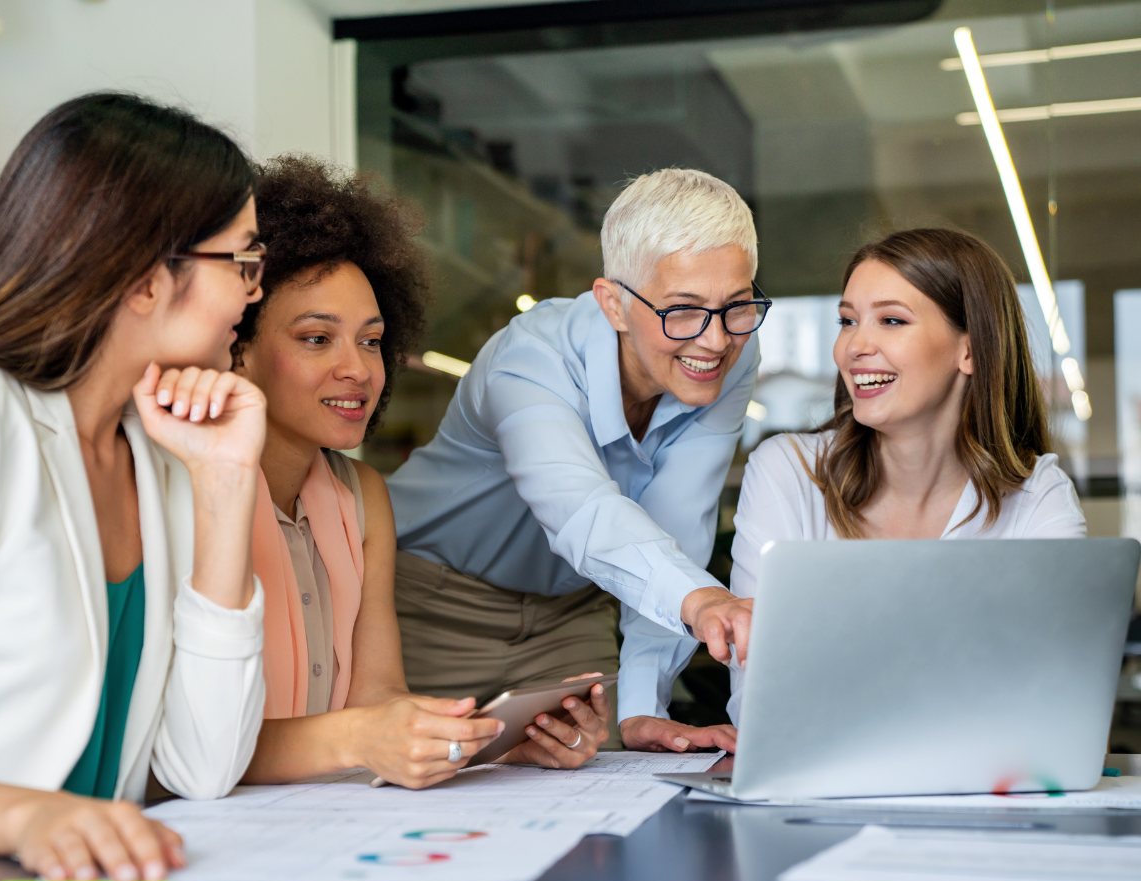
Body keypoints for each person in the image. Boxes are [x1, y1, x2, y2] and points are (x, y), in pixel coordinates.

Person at [0, 94, 269, 881]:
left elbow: (203, 768)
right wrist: (24, 815)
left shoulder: (159, 452)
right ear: (143, 280)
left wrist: (226, 480)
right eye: (242, 262)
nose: (254, 292)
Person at [232, 156, 611, 786]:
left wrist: (495, 744)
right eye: (317, 339)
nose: (358, 369)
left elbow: (379, 703)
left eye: (371, 340)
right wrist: (359, 736)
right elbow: (176, 755)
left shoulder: (363, 498)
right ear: (236, 345)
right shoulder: (191, 494)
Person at [388, 167, 766, 754]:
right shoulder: (529, 358)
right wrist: (702, 600)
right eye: (683, 310)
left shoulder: (730, 355)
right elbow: (581, 512)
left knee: (598, 775)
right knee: (414, 783)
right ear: (613, 304)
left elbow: (679, 524)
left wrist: (641, 709)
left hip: (572, 613)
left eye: (737, 306)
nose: (715, 340)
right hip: (438, 605)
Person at [728, 228, 1086, 715]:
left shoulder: (1037, 496)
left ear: (970, 350)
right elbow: (758, 697)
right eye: (847, 321)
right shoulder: (788, 473)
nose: (854, 346)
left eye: (892, 320)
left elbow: (1057, 696)